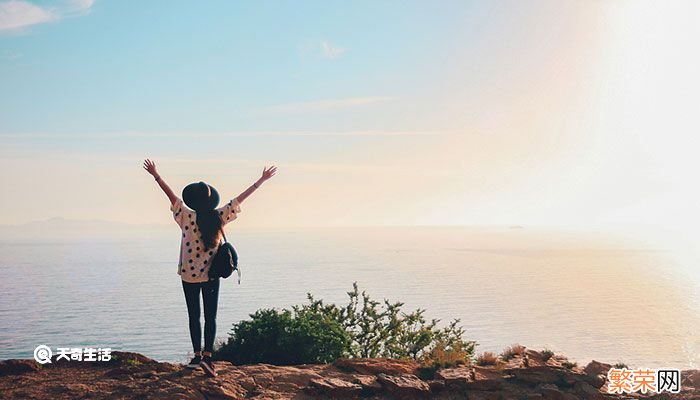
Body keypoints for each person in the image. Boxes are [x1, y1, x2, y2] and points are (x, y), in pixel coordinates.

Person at [143, 159, 277, 377]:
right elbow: (239, 200)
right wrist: (261, 180)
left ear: (192, 202)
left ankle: (196, 357)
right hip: (211, 276)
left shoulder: (185, 216)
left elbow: (171, 197)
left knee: (194, 316)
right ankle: (208, 358)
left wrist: (155, 175)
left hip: (188, 275)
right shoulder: (218, 217)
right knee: (210, 317)